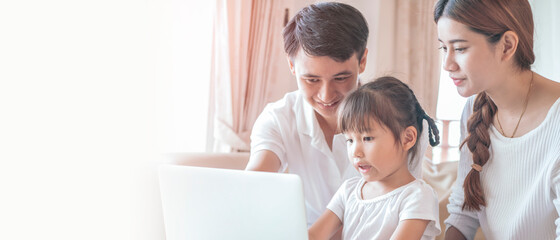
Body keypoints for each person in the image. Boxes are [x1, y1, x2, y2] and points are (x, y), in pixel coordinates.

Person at [245, 2, 429, 226]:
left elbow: (404, 205)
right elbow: (255, 180)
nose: (326, 95)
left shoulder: (401, 120)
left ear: (362, 62)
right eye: (311, 80)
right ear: (292, 66)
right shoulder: (279, 118)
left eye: (341, 78)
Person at [434, 0, 560, 239]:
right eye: (443, 48)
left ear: (507, 46)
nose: (447, 64)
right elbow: (464, 214)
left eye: (459, 48)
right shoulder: (473, 110)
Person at [308, 77, 441, 240]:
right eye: (350, 140)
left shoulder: (417, 196)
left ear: (407, 138)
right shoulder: (349, 191)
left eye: (367, 138)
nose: (355, 152)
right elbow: (313, 235)